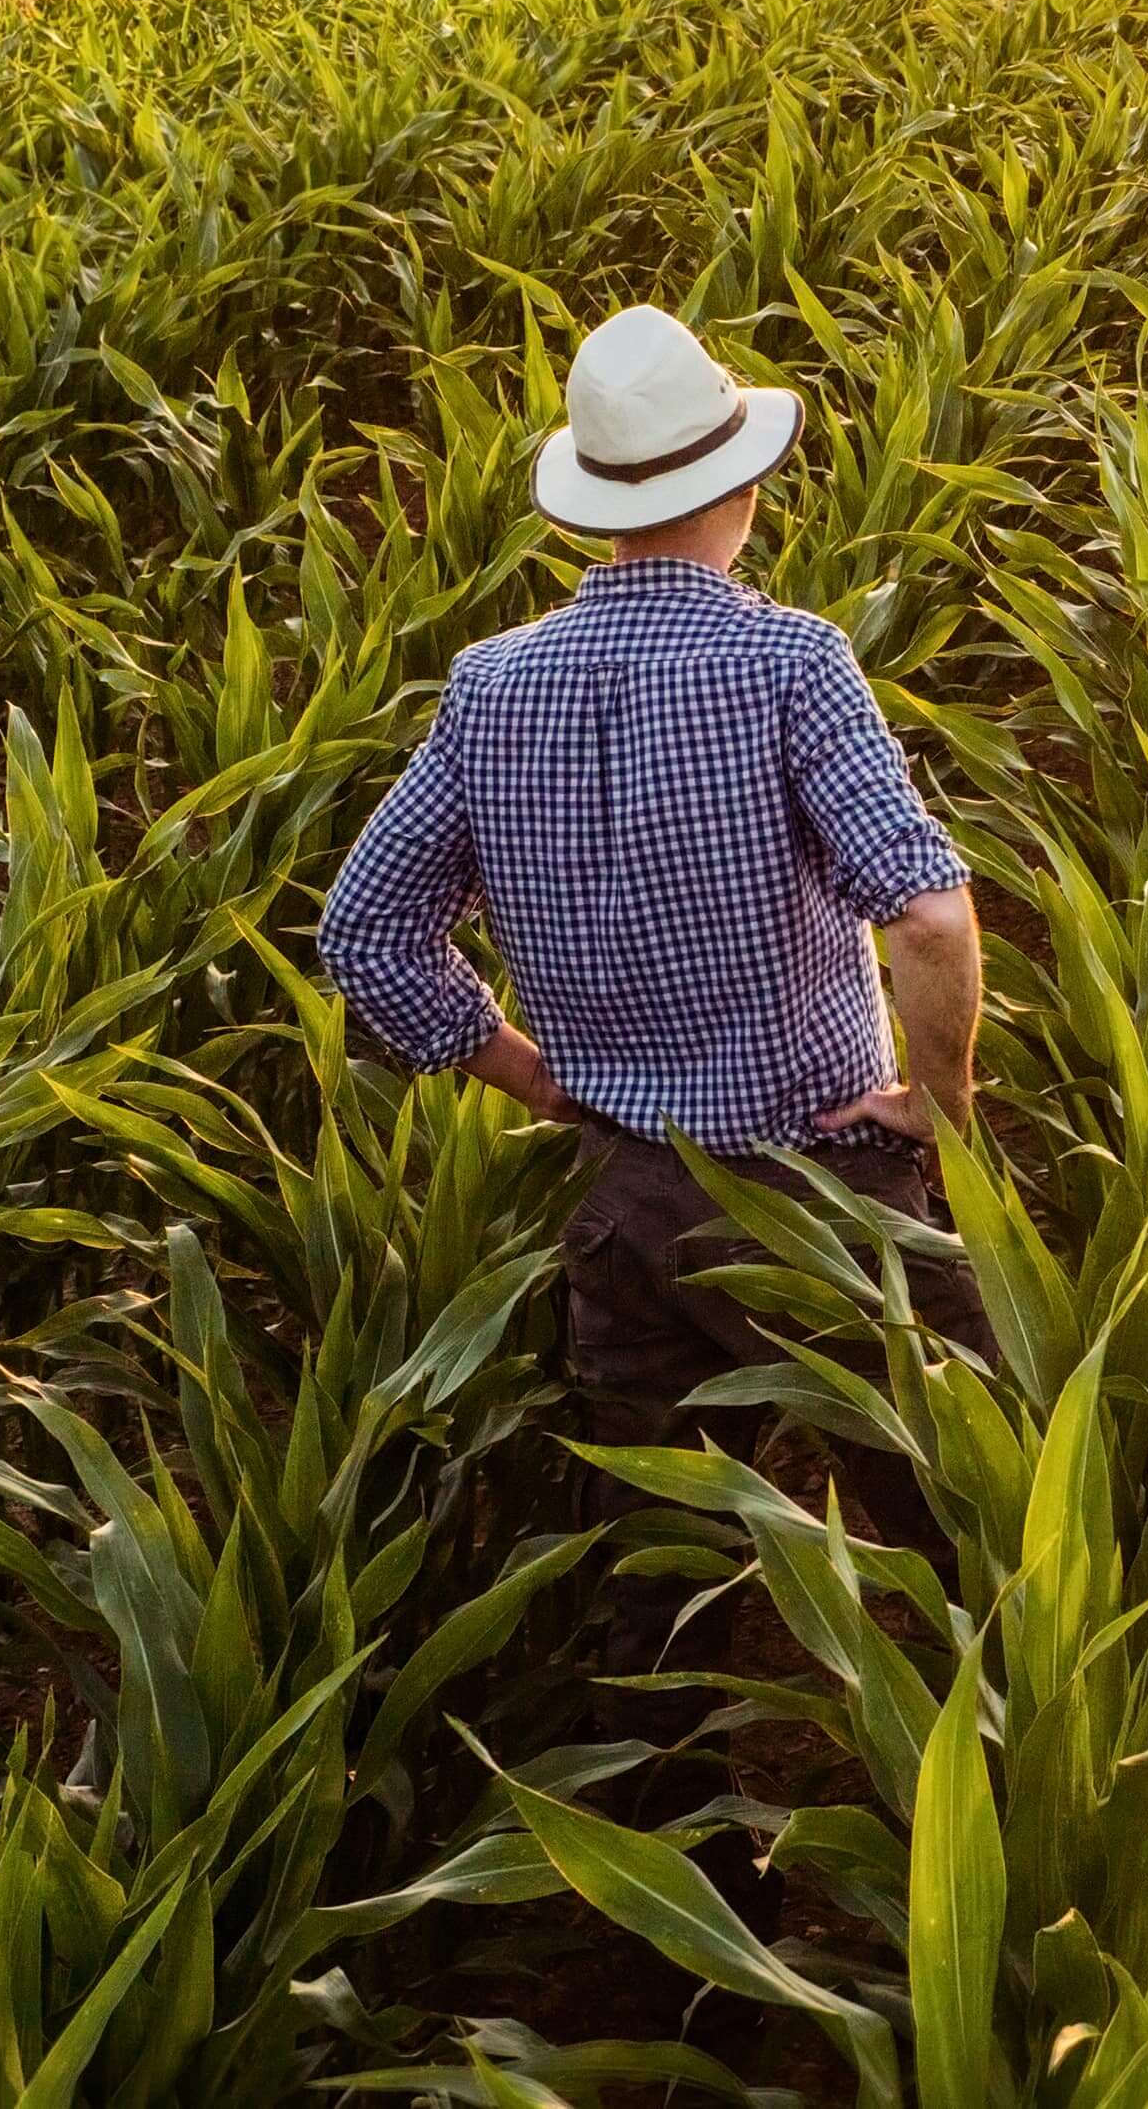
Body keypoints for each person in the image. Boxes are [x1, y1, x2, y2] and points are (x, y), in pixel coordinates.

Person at [319, 302, 993, 1632]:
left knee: (667, 1588)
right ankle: (1004, 1807)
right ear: (739, 484)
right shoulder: (790, 660)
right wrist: (946, 1106)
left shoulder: (491, 685)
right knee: (982, 1527)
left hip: (627, 1206)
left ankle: (681, 1832)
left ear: (597, 503)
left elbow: (365, 933)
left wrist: (543, 1083)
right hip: (827, 1193)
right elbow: (926, 915)